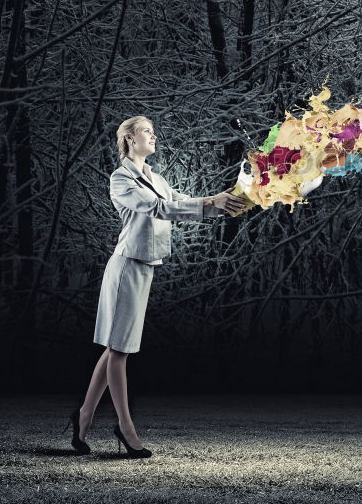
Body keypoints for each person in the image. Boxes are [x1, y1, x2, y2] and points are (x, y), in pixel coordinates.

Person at [64, 116, 246, 458]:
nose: (154, 136)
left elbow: (183, 203)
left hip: (145, 267)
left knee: (116, 348)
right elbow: (159, 209)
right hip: (126, 267)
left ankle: (84, 414)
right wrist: (212, 201)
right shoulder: (121, 179)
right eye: (147, 131)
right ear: (130, 139)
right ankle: (125, 427)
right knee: (120, 351)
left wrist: (225, 202)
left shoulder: (156, 178)